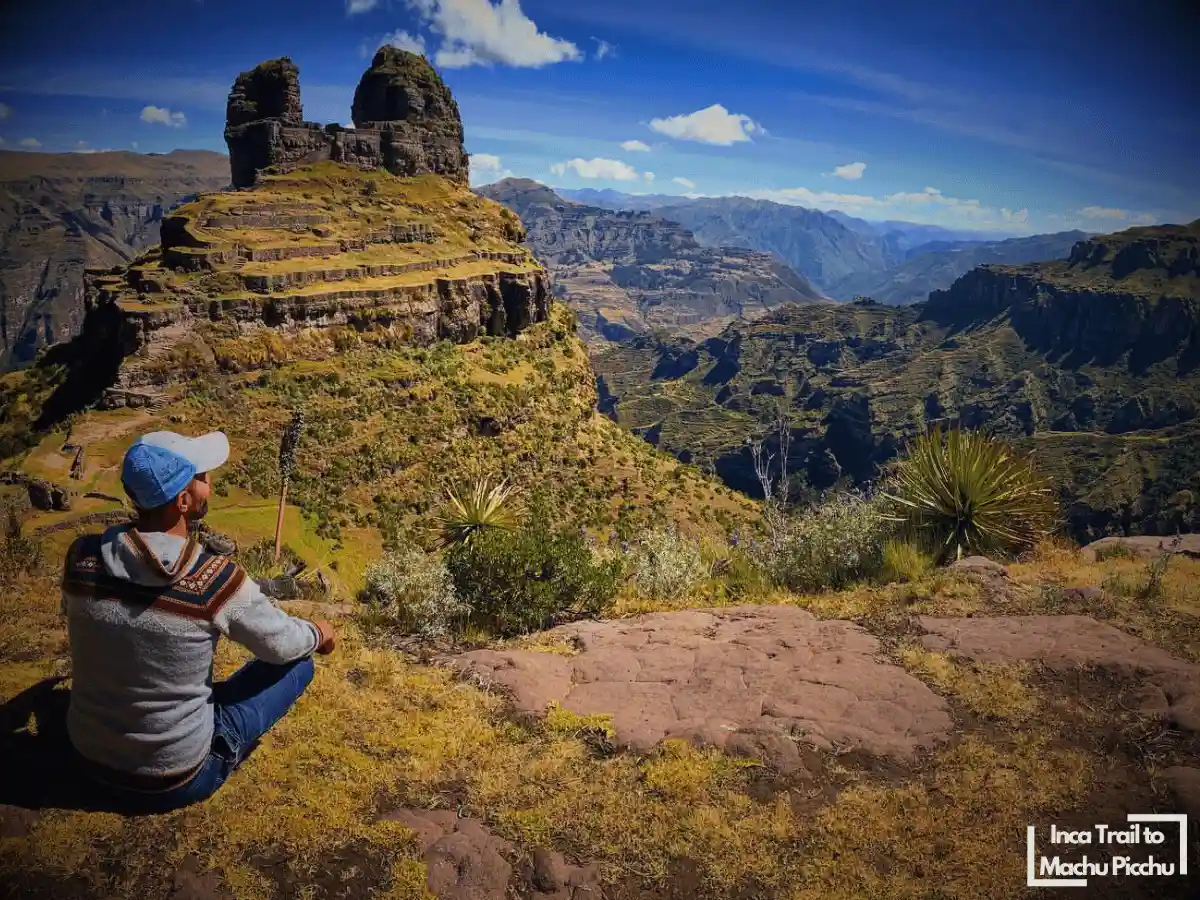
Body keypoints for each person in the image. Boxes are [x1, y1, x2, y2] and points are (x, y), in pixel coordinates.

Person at [59, 430, 336, 813]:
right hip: (175, 779)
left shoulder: (82, 557)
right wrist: (319, 633)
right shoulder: (211, 578)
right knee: (298, 664)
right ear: (183, 500)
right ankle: (206, 751)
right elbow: (281, 645)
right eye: (202, 477)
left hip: (85, 760)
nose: (210, 483)